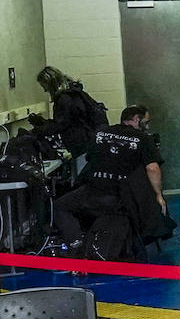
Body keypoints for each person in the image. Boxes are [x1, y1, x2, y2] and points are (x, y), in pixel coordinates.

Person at [52, 104, 168, 259]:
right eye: (145, 122)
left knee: (59, 207)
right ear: (136, 119)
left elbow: (91, 159)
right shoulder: (143, 139)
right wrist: (158, 196)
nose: (147, 126)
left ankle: (77, 243)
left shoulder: (100, 134)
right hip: (123, 198)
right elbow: (153, 169)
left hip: (93, 191)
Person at [29, 66, 102, 160]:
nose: (45, 90)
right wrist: (43, 123)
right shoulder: (74, 93)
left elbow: (60, 125)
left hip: (80, 143)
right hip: (88, 139)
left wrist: (39, 128)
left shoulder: (64, 99)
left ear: (50, 83)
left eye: (44, 86)